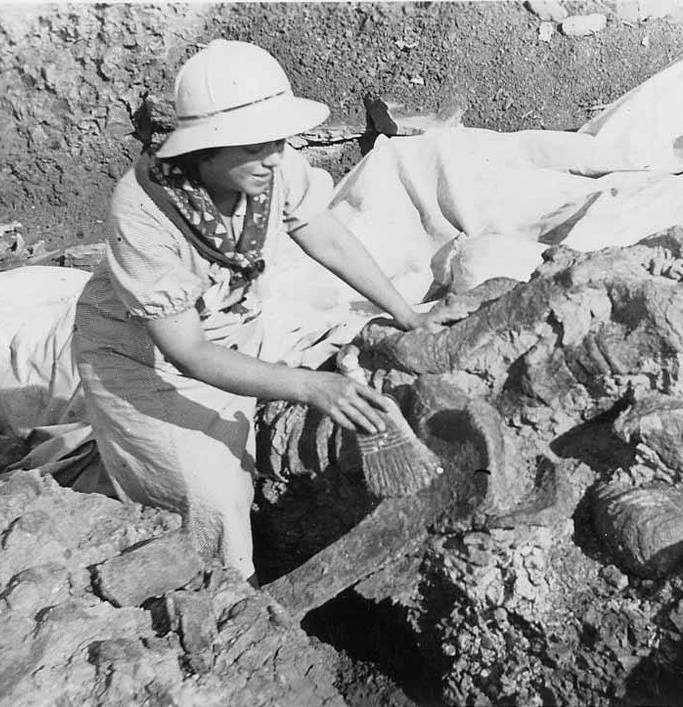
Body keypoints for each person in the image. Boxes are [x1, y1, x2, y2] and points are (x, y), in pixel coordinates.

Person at [73, 40, 466, 583]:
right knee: (213, 502)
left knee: (349, 347)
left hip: (237, 318)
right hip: (148, 361)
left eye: (277, 140)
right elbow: (187, 352)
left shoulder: (269, 164)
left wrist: (407, 314)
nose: (276, 157)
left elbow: (320, 230)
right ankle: (233, 604)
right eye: (256, 146)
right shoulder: (142, 216)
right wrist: (309, 388)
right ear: (202, 150)